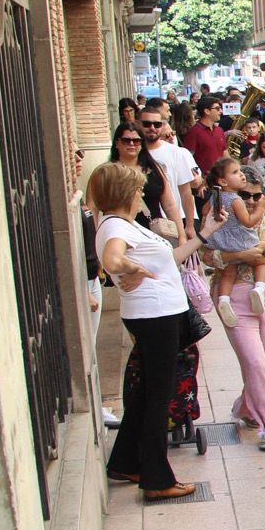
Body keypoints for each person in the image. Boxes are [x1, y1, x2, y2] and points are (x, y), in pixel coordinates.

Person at [89, 161, 226, 499]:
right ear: (124, 192)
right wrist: (128, 267)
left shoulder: (124, 224)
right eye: (137, 190)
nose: (141, 196)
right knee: (157, 398)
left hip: (160, 314)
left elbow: (171, 258)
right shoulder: (114, 227)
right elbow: (112, 258)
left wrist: (205, 233)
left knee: (146, 393)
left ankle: (125, 461)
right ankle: (156, 478)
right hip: (155, 317)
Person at [210, 165, 265, 450]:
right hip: (232, 296)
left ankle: (246, 408)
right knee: (255, 362)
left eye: (256, 196)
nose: (250, 200)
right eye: (245, 194)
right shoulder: (219, 208)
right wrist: (236, 254)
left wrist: (258, 247)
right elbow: (205, 252)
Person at [200, 157, 265, 326]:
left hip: (221, 243)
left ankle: (224, 300)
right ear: (223, 181)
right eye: (235, 172)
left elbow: (205, 211)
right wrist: (260, 208)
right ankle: (259, 289)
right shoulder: (235, 200)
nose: (241, 175)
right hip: (240, 242)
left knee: (229, 271)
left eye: (240, 171)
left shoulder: (215, 197)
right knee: (260, 263)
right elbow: (248, 222)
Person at [140, 99, 200, 236]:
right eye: (146, 124)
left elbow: (186, 193)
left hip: (175, 221)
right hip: (143, 224)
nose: (152, 128)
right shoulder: (133, 153)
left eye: (156, 124)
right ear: (138, 125)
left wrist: (189, 226)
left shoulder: (177, 152)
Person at [109, 121, 181, 229]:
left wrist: (181, 235)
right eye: (126, 140)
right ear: (117, 143)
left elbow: (170, 206)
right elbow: (94, 209)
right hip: (121, 234)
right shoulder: (107, 172)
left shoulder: (154, 169)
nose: (132, 144)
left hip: (154, 234)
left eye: (136, 141)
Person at [183, 97, 228, 178]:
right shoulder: (194, 132)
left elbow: (224, 152)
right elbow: (187, 159)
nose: (221, 111)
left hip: (221, 177)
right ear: (207, 111)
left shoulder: (219, 130)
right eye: (217, 109)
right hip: (204, 180)